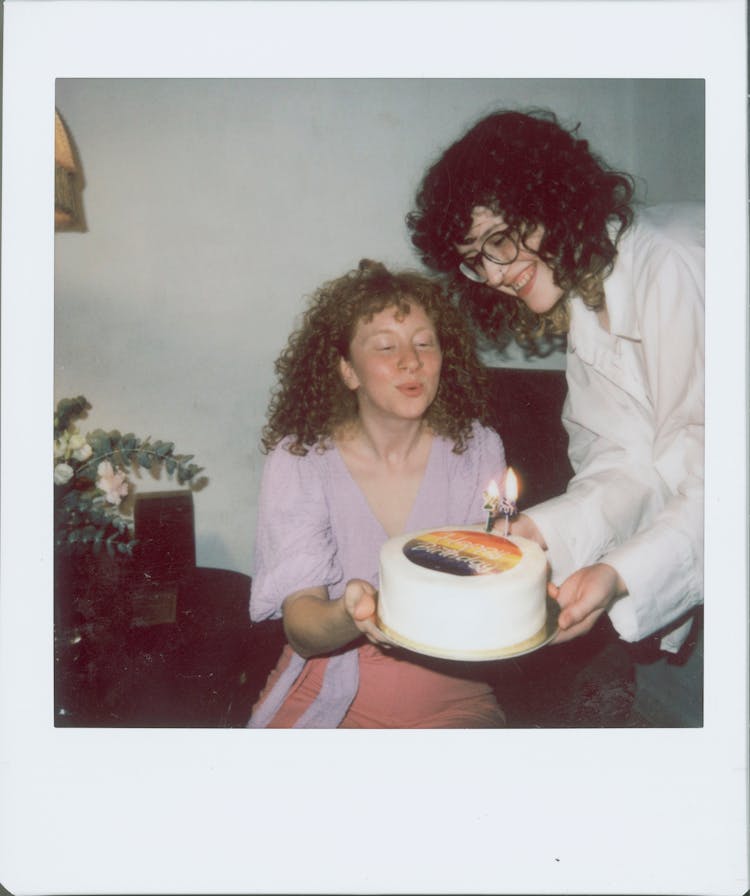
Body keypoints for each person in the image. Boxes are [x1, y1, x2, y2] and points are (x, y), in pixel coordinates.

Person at [408, 108, 704, 655]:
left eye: (498, 240)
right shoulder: (590, 303)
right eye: (475, 260)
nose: (494, 274)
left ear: (553, 202)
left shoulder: (674, 265)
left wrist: (619, 573)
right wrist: (540, 537)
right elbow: (627, 463)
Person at [247, 259, 510, 728]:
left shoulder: (478, 448)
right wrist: (354, 614)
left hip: (452, 696)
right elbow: (303, 630)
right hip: (326, 689)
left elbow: (495, 574)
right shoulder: (300, 459)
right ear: (348, 371)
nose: (412, 361)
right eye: (386, 346)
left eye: (425, 343)